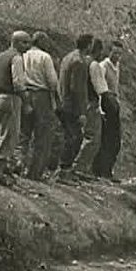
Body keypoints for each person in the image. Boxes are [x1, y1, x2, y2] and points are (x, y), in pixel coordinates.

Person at [0, 29, 31, 185]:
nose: (27, 46)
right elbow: (18, 83)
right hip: (9, 97)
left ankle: (2, 166)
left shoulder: (1, 56)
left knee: (2, 132)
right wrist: (26, 102)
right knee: (10, 134)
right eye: (25, 42)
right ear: (16, 42)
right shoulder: (17, 58)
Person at [68, 37, 110, 180]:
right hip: (91, 103)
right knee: (93, 138)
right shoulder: (94, 65)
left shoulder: (81, 61)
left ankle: (77, 167)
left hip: (81, 102)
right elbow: (101, 89)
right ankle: (80, 168)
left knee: (83, 135)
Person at [20, 30, 60, 181]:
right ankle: (35, 172)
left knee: (24, 133)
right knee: (42, 135)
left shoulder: (22, 55)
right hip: (41, 95)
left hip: (25, 94)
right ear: (41, 42)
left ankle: (18, 166)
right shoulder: (44, 57)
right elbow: (52, 82)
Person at [55, 34, 93, 183]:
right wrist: (82, 112)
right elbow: (77, 88)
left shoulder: (68, 57)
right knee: (75, 138)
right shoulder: (79, 62)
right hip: (72, 106)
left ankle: (64, 170)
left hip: (63, 101)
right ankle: (64, 171)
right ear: (88, 45)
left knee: (69, 136)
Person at [92, 42, 124, 180]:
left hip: (114, 103)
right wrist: (100, 108)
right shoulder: (103, 66)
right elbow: (101, 89)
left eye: (119, 53)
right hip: (106, 103)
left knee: (115, 140)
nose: (117, 56)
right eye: (114, 52)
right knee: (107, 139)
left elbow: (116, 87)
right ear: (109, 51)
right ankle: (101, 170)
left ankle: (107, 169)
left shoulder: (117, 66)